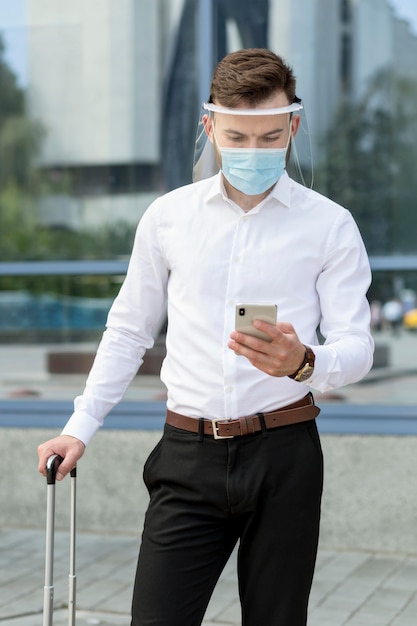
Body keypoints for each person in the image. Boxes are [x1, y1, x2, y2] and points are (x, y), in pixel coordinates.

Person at [38, 48, 374, 626]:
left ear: (293, 126)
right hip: (187, 455)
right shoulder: (167, 218)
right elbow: (128, 330)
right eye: (237, 137)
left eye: (271, 137)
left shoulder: (330, 225)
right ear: (209, 125)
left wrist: (303, 362)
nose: (254, 152)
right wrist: (79, 427)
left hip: (284, 454)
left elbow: (358, 346)